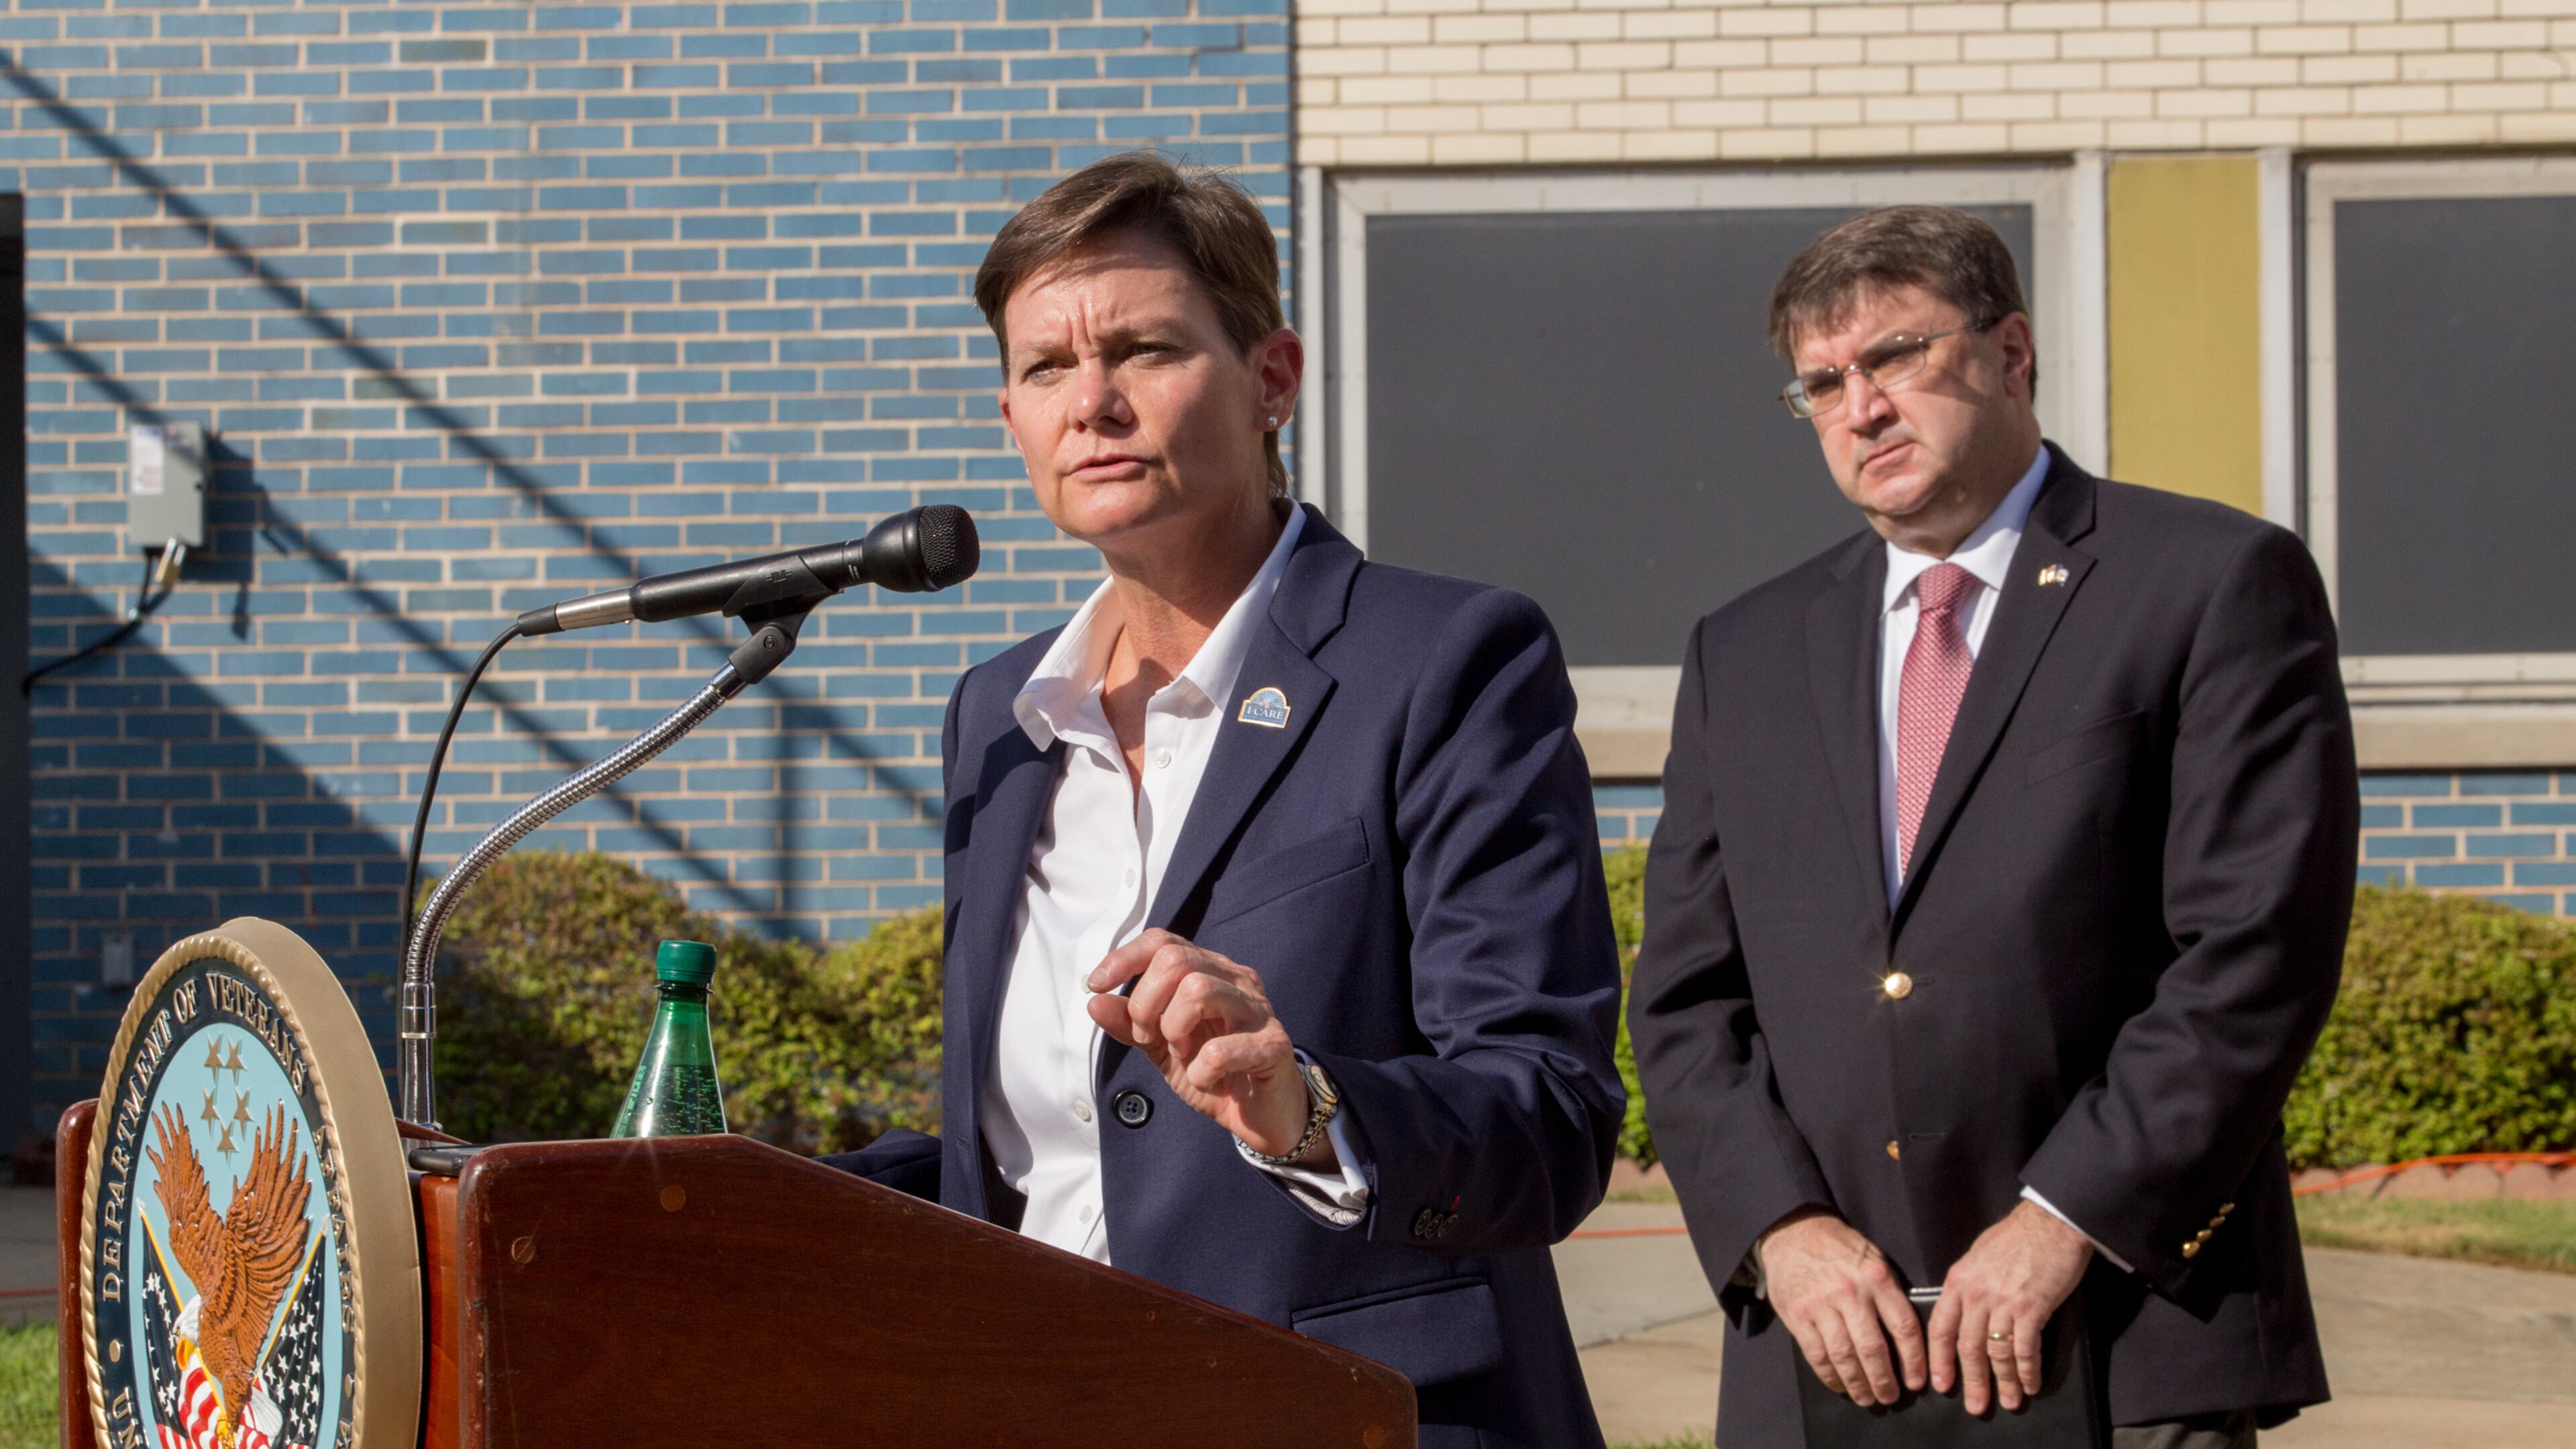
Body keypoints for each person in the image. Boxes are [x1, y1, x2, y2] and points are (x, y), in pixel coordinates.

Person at [828, 151, 1623, 1448]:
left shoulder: (1445, 664)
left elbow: (1551, 1116)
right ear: (1012, 417)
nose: (1092, 403)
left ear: (1272, 379)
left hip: (1350, 1417)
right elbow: (1047, 1153)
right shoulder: (1002, 717)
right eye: (1045, 369)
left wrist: (1306, 1105)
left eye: (1143, 348)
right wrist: (733, 1189)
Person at [1627, 206, 2358, 1449]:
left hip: (2119, 1337)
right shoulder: (1743, 650)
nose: (1859, 408)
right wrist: (1782, 1234)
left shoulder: (2211, 580)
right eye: (1822, 384)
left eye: (1897, 357)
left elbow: (2254, 951)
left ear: (2011, 353)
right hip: (1830, 1360)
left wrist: (2061, 1220)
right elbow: (1689, 1000)